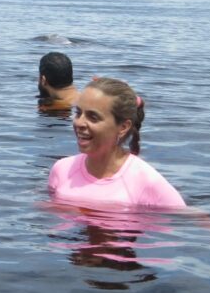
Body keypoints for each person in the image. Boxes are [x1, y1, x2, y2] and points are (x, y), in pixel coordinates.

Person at [48, 77, 185, 209]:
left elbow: (188, 221)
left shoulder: (146, 181)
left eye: (93, 117)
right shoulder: (61, 170)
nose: (79, 123)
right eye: (78, 113)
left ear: (123, 127)